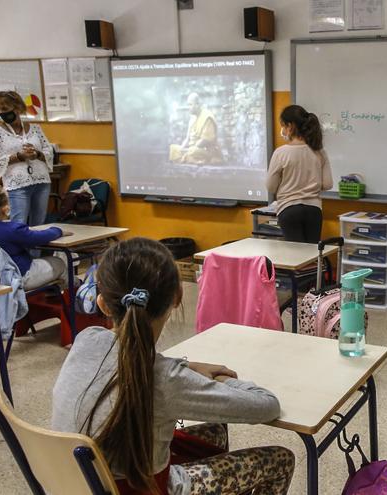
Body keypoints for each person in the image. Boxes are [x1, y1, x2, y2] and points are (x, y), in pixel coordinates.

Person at [51, 237, 295, 495]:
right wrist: (223, 380)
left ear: (103, 304)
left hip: (79, 483)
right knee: (280, 459)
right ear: (177, 296)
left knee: (214, 430)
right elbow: (267, 405)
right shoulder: (165, 378)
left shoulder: (87, 339)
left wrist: (187, 367)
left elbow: (136, 363)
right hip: (143, 489)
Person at [0, 183, 70, 291]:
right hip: (16, 278)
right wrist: (57, 230)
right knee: (59, 263)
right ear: (5, 209)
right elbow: (39, 237)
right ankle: (75, 293)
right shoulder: (12, 230)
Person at [0, 91, 55, 226]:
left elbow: (48, 150)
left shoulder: (35, 128)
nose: (1, 112)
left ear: (17, 108)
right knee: (18, 224)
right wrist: (19, 156)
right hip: (16, 184)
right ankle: (20, 248)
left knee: (39, 224)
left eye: (5, 108)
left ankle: (37, 248)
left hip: (41, 181)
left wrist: (37, 154)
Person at [267, 105, 333, 243]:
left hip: (288, 209)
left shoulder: (281, 153)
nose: (282, 130)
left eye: (283, 126)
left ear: (290, 126)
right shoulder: (319, 152)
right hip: (314, 210)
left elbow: (271, 187)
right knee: (311, 256)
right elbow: (328, 184)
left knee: (296, 257)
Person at [169, 92, 223, 164]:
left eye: (190, 105)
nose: (188, 108)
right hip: (192, 149)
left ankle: (196, 159)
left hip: (205, 150)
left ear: (197, 104)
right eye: (188, 105)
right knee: (173, 148)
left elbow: (206, 139)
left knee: (193, 151)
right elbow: (187, 138)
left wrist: (192, 148)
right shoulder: (192, 119)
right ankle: (192, 158)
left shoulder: (207, 117)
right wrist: (182, 148)